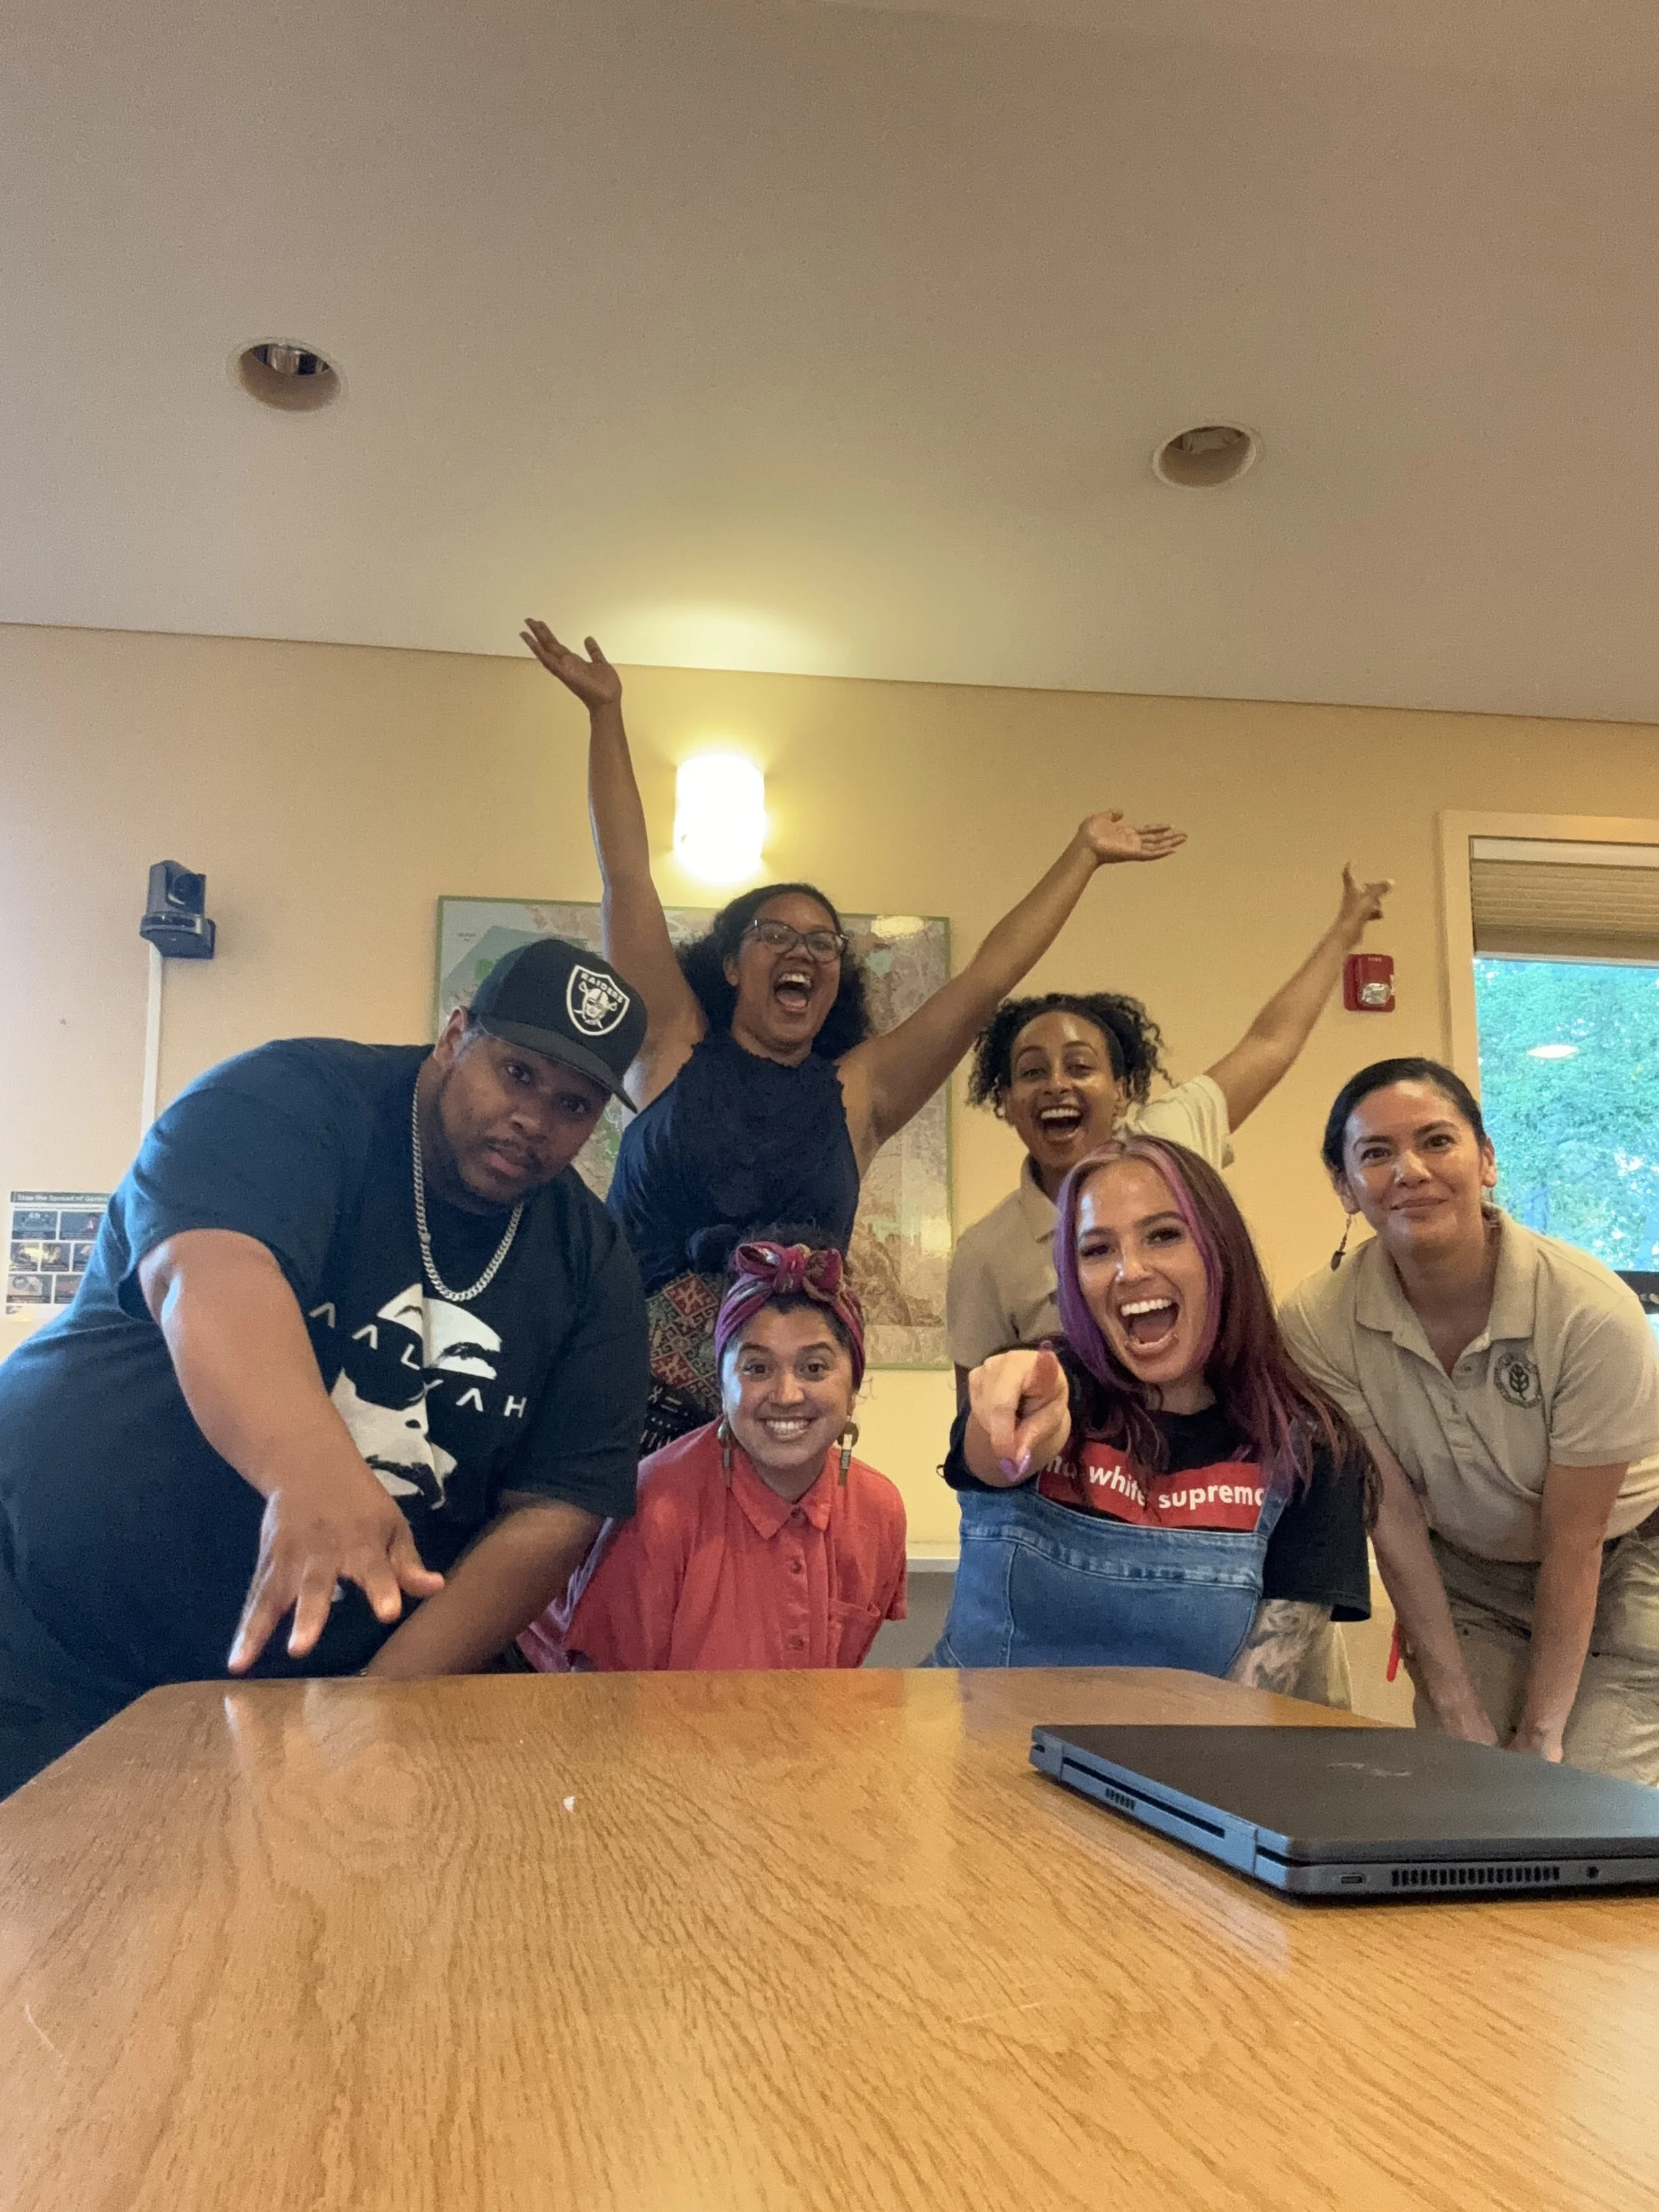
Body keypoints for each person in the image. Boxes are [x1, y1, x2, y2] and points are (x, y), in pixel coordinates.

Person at [0, 938, 650, 1798]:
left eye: (573, 1103)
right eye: (517, 1073)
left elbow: (556, 1513)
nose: (535, 1118)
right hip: (49, 1638)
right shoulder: (286, 1099)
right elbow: (207, 1270)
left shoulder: (591, 1265)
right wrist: (309, 1472)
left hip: (304, 1701)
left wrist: (364, 1710)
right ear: (456, 1035)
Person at [522, 617, 1186, 1448]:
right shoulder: (671, 1046)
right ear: (731, 963)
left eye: (823, 943)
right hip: (626, 1406)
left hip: (786, 1422)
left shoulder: (857, 1091)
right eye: (777, 935)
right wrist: (606, 716)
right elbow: (626, 876)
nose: (802, 951)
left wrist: (1080, 856)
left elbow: (986, 980)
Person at [1280, 1057, 1659, 1781]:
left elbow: (1574, 1542)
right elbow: (1387, 1513)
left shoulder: (1589, 1311)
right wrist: (1452, 1703)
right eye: (1376, 1154)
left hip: (1624, 1567)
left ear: (1485, 1160)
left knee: (1572, 1808)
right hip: (1468, 1578)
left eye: (1436, 1141)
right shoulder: (1315, 1321)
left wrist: (1542, 1736)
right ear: (1345, 1186)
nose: (1410, 1171)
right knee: (1465, 1790)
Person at [930, 1134, 1372, 1684]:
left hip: (1177, 1765)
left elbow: (1254, 1701)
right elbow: (994, 1454)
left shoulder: (1312, 1451)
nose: (1130, 1270)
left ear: (1220, 1251)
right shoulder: (1040, 1387)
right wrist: (1011, 1425)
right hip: (966, 1753)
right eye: (1097, 1250)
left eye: (1163, 1235)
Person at [946, 864, 1393, 1383]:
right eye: (1031, 1072)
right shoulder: (984, 1254)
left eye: (1080, 1065)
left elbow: (1270, 1042)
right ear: (1005, 1101)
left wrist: (1346, 930)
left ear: (1123, 1090)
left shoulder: (1171, 1140)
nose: (1056, 1084)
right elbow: (974, 1426)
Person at [520, 1234, 905, 1671]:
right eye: (757, 1368)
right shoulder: (657, 1506)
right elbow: (600, 1695)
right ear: (721, 1387)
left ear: (853, 1387)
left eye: (814, 1367)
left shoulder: (881, 1510)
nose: (786, 1393)